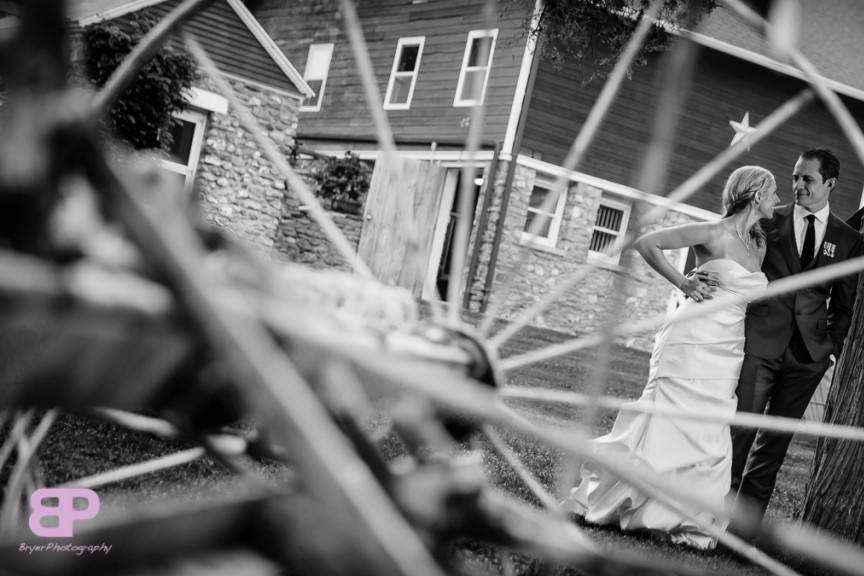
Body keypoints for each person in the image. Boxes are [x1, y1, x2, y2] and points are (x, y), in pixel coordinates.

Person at [560, 166, 778, 550]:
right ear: (757, 193)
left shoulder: (758, 244)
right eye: (774, 192)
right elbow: (646, 243)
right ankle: (619, 502)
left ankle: (684, 517)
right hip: (690, 338)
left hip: (728, 348)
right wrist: (683, 283)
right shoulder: (713, 231)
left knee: (707, 425)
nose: (778, 200)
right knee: (667, 416)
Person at [730, 148, 862, 524]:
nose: (798, 185)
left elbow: (844, 304)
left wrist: (831, 351)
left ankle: (742, 530)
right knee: (741, 432)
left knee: (773, 446)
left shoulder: (848, 239)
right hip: (760, 343)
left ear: (830, 184)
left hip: (808, 357)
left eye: (808, 179)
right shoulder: (770, 220)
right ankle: (712, 522)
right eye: (795, 178)